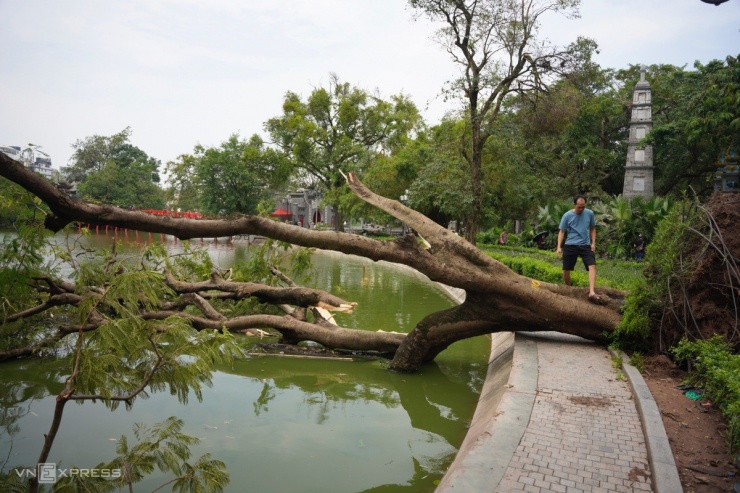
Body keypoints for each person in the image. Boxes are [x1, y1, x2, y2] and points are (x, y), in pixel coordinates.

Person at [556, 195, 600, 303]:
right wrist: (558, 247)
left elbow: (593, 228)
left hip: (585, 245)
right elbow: (562, 232)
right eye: (579, 207)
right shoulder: (567, 216)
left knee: (592, 266)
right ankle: (569, 289)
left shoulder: (589, 213)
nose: (581, 209)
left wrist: (593, 243)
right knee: (566, 269)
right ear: (574, 204)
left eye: (583, 207)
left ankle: (592, 292)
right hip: (570, 244)